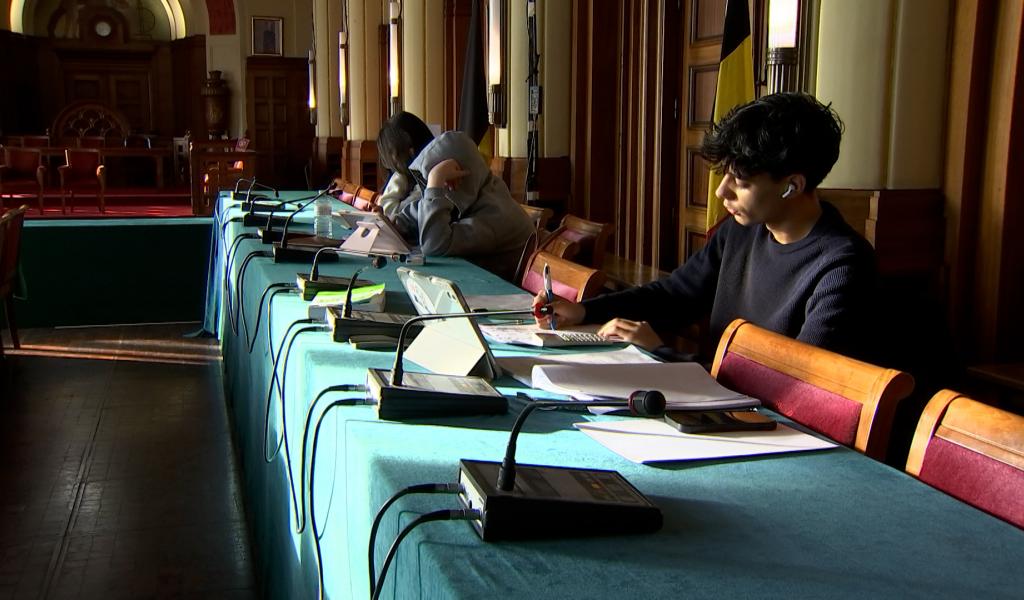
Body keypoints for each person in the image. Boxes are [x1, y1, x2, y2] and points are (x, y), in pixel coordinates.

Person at [534, 92, 877, 360]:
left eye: (739, 181)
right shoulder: (741, 230)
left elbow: (798, 384)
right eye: (725, 174)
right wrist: (583, 311)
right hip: (713, 404)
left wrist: (663, 354)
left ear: (793, 185)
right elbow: (674, 296)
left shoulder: (842, 266)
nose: (720, 191)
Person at [377, 112, 535, 282]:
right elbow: (413, 214)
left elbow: (434, 246)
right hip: (472, 280)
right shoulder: (472, 192)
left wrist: (435, 182)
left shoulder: (495, 215)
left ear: (460, 177)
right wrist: (394, 223)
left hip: (499, 296)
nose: (429, 189)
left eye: (432, 181)